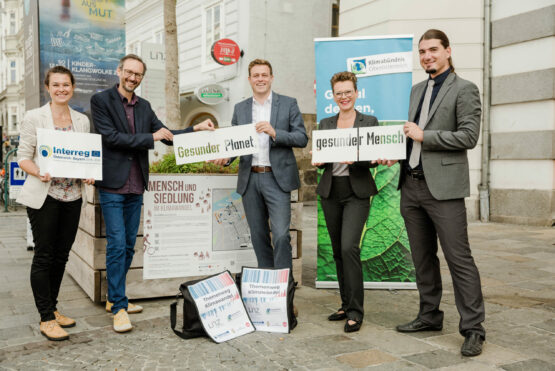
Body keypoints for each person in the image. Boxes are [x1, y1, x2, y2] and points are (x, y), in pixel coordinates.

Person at [378, 29, 485, 356]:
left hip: (445, 190)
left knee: (459, 259)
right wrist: (394, 153)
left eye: (433, 50)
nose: (426, 56)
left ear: (448, 51)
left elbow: (468, 136)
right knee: (422, 258)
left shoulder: (465, 89)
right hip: (411, 185)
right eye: (422, 51)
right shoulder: (416, 90)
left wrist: (426, 135)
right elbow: (412, 139)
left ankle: (473, 328)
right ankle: (429, 315)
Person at [90, 54, 214, 333]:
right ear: (119, 70)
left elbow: (166, 135)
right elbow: (110, 138)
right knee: (117, 244)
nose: (133, 78)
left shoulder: (144, 106)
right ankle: (120, 308)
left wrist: (195, 129)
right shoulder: (102, 101)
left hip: (136, 186)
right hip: (112, 185)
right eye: (129, 72)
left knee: (129, 246)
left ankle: (115, 297)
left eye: (138, 74)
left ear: (142, 78)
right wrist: (151, 138)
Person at [17, 66, 95, 341]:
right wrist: (38, 171)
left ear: (73, 87)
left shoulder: (81, 120)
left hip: (72, 196)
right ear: (47, 88)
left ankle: (53, 307)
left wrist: (89, 174)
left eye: (66, 85)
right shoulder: (34, 117)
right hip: (45, 195)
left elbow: (85, 156)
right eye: (56, 85)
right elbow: (23, 156)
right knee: (44, 255)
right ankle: (46, 317)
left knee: (62, 256)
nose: (62, 89)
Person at [211, 58, 308, 274]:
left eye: (264, 75)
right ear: (249, 79)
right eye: (256, 75)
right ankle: (267, 288)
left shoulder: (288, 103)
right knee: (258, 235)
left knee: (282, 235)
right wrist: (226, 158)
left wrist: (276, 133)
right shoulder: (240, 108)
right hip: (250, 179)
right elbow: (236, 144)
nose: (260, 79)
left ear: (271, 78)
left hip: (277, 178)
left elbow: (302, 137)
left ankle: (283, 291)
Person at [312, 72, 378, 333]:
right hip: (331, 191)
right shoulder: (326, 123)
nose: (344, 96)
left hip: (357, 192)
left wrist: (356, 158)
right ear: (333, 95)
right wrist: (318, 161)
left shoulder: (368, 121)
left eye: (348, 91)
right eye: (339, 93)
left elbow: (373, 157)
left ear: (356, 92)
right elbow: (323, 159)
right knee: (338, 250)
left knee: (350, 246)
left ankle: (356, 311)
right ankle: (345, 303)